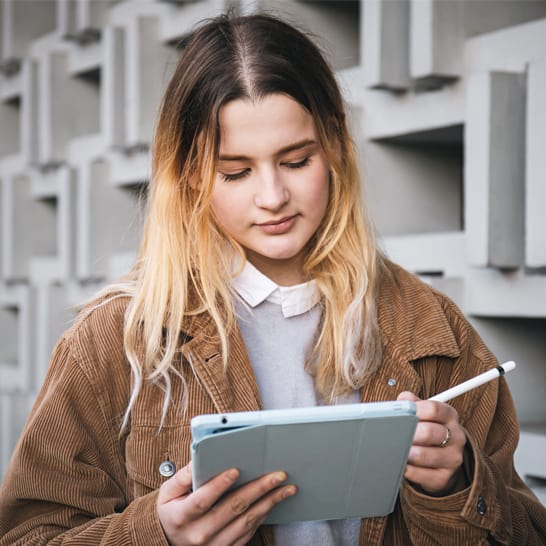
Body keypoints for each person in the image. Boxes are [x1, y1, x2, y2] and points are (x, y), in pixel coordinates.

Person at [0, 12, 545, 546]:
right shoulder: (118, 340)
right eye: (235, 172)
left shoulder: (429, 328)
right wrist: (156, 534)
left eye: (296, 160)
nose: (272, 197)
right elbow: (26, 533)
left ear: (333, 145)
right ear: (190, 173)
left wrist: (459, 481)